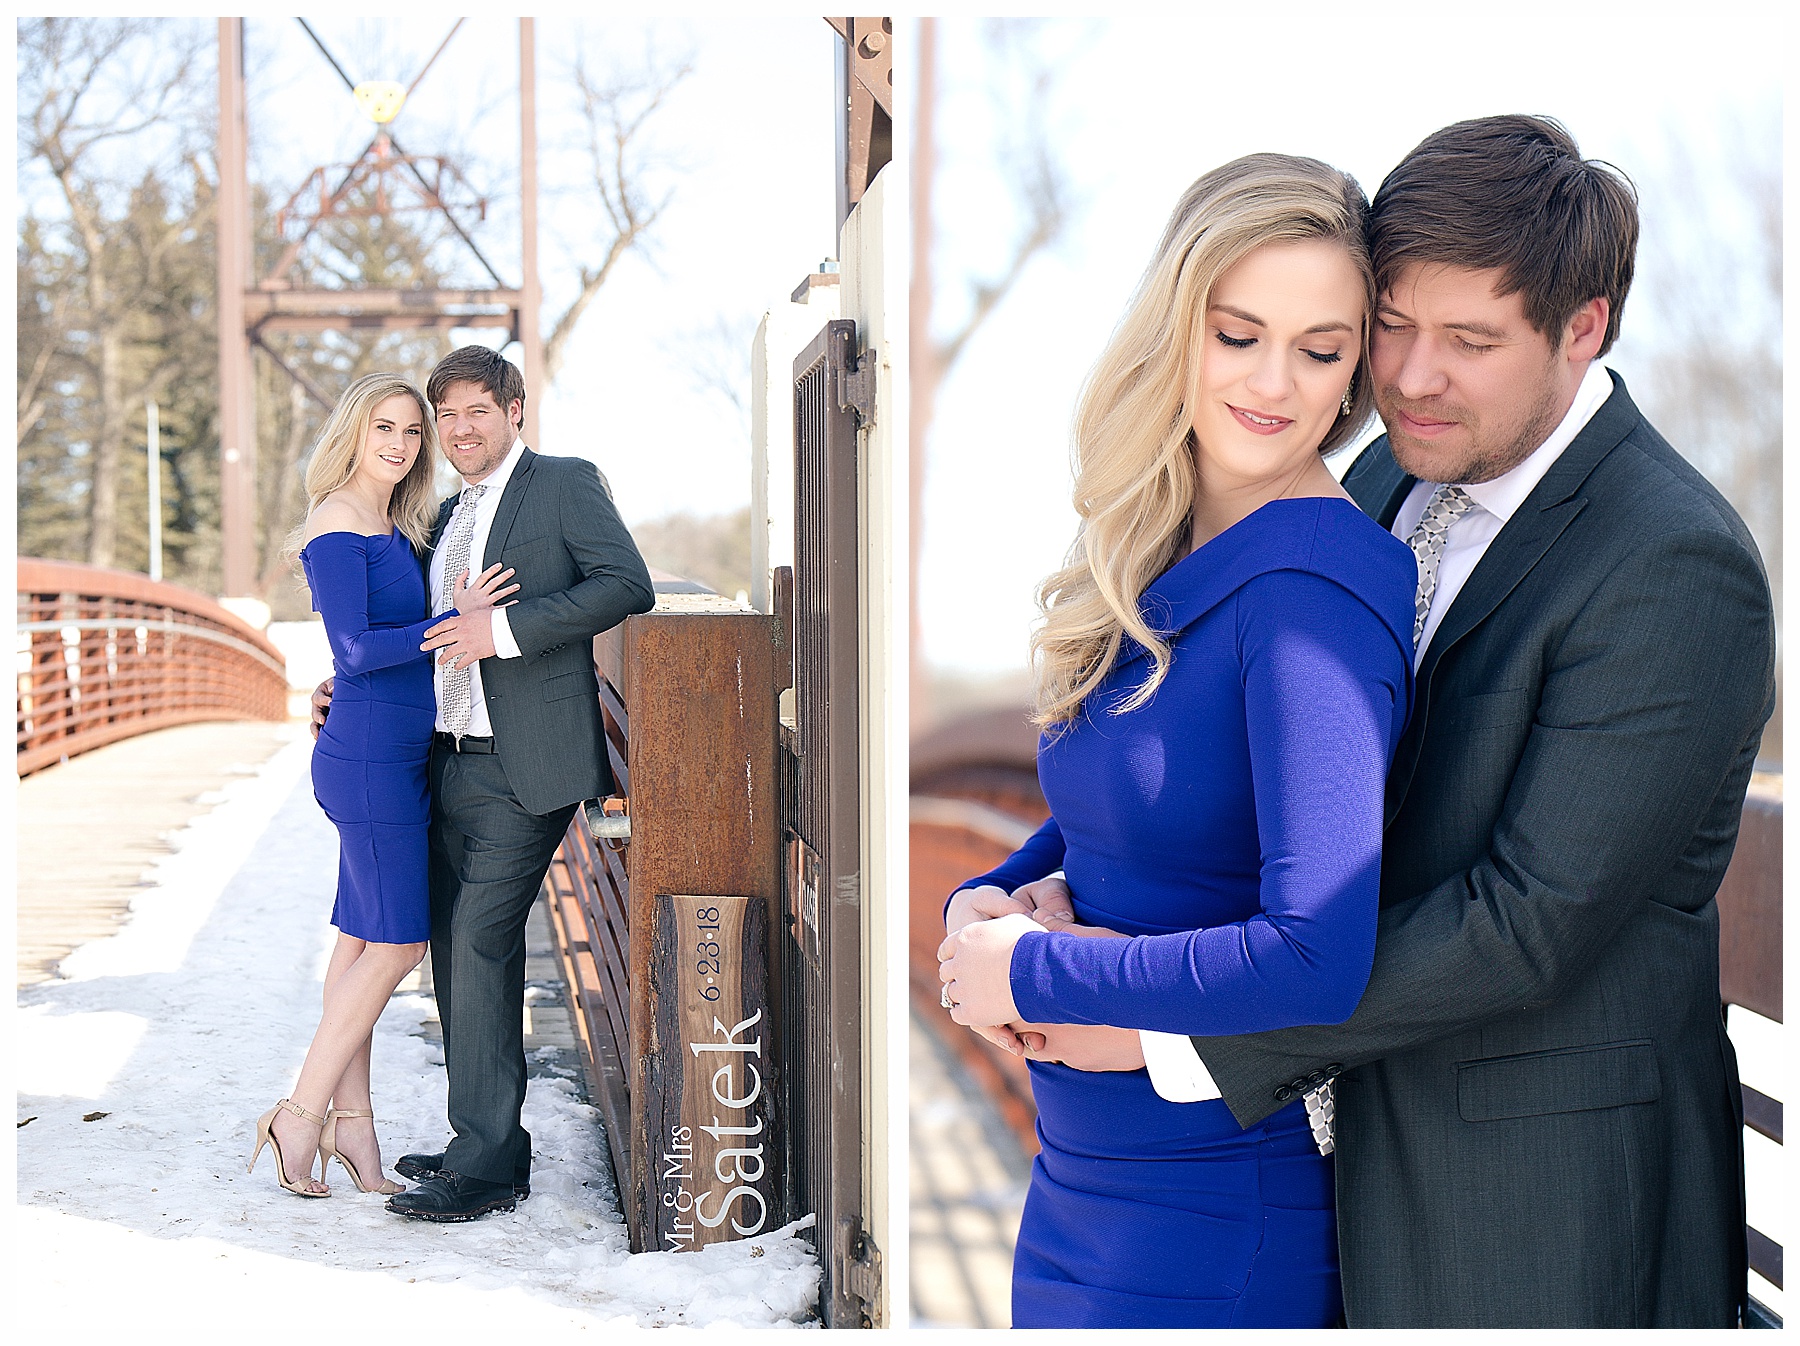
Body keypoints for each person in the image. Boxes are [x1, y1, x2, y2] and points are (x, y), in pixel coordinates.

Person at [966, 116, 1775, 1328]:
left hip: (1530, 1213)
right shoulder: (1389, 478)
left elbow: (1523, 921)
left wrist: (1161, 1026)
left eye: (1467, 339)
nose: (1407, 374)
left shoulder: (1673, 561)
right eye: (1392, 325)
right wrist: (1041, 880)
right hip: (1331, 1156)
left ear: (1583, 328)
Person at [934, 154, 1418, 1328]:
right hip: (1079, 1184)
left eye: (1320, 348)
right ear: (1177, 324)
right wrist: (991, 893)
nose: (1274, 383)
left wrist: (1033, 968)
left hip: (1214, 1209)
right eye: (1238, 332)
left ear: (1358, 368)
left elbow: (1318, 951)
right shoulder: (1162, 552)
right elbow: (1134, 798)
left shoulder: (1314, 590)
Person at [312, 345, 655, 1222]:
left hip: (523, 762)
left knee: (477, 939)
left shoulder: (564, 484)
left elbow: (628, 583)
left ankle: (491, 1165)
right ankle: (483, 1142)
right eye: (446, 417)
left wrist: (500, 632)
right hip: (441, 756)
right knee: (449, 940)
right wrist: (341, 686)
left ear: (515, 411)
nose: (461, 430)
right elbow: (403, 629)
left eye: (477, 411)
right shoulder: (436, 516)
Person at [252, 373, 516, 1198]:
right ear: (352, 433)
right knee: (399, 945)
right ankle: (299, 1115)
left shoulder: (398, 522)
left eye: (411, 432)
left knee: (362, 943)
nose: (400, 444)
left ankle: (355, 1133)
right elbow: (358, 650)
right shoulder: (336, 524)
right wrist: (457, 620)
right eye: (384, 428)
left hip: (396, 749)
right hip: (367, 759)